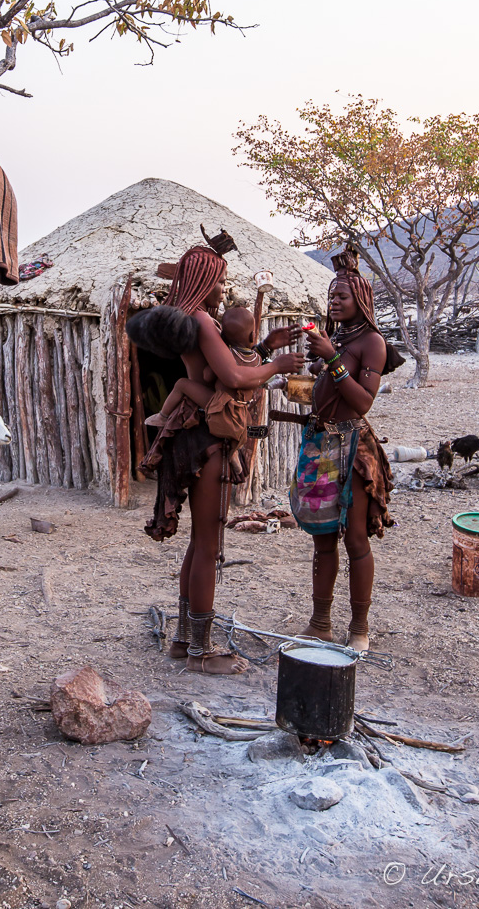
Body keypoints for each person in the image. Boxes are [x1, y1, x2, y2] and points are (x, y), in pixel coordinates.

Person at [138, 238, 304, 674]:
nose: (224, 290)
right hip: (207, 441)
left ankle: (183, 641)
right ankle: (201, 652)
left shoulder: (192, 319)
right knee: (209, 543)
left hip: (192, 434)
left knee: (200, 542)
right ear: (204, 280)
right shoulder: (202, 321)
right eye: (221, 282)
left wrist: (263, 348)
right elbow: (232, 376)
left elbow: (230, 364)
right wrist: (276, 366)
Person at [271, 249, 394, 652]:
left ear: (362, 299)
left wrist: (333, 362)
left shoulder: (372, 342)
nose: (334, 302)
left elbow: (361, 403)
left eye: (342, 295)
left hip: (352, 447)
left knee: (356, 539)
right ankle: (320, 623)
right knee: (322, 538)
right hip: (321, 445)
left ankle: (359, 628)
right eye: (331, 295)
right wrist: (308, 375)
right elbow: (324, 393)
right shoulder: (337, 338)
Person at [145, 305, 259, 446]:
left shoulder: (227, 356)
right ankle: (233, 454)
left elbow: (207, 376)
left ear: (222, 336)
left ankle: (162, 416)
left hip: (220, 406)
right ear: (252, 336)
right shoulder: (256, 359)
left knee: (182, 383)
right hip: (241, 408)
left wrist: (212, 363)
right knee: (241, 431)